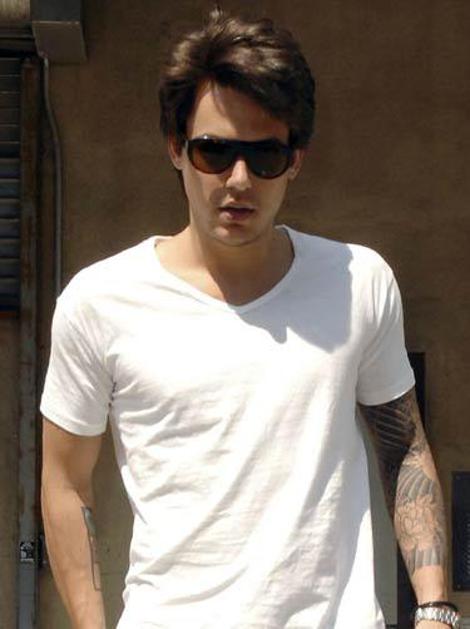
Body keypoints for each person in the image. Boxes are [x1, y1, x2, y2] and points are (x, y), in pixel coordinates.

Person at [40, 7, 459, 629]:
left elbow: (404, 448)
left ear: (296, 160)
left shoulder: (359, 282)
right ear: (176, 149)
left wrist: (434, 608)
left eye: (265, 156)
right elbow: (65, 482)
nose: (239, 180)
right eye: (214, 152)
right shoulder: (100, 301)